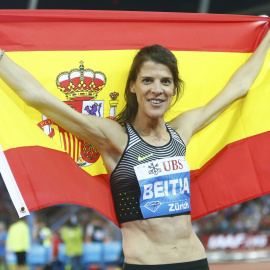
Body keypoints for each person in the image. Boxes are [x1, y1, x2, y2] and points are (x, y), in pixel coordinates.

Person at [0, 26, 270, 269]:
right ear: (132, 86)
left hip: (195, 261)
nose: (157, 89)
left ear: (174, 89)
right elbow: (38, 98)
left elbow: (239, 87)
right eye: (147, 80)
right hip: (145, 266)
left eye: (166, 81)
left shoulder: (180, 131)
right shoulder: (115, 138)